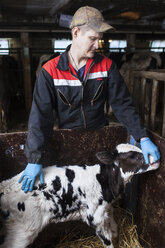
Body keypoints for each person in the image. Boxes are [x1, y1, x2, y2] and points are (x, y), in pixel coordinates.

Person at [19, 6, 160, 193]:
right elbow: (40, 116)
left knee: (98, 193)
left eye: (99, 40)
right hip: (67, 140)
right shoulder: (50, 71)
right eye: (92, 39)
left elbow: (122, 104)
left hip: (99, 138)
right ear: (76, 33)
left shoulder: (107, 66)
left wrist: (142, 136)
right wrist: (34, 159)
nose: (97, 45)